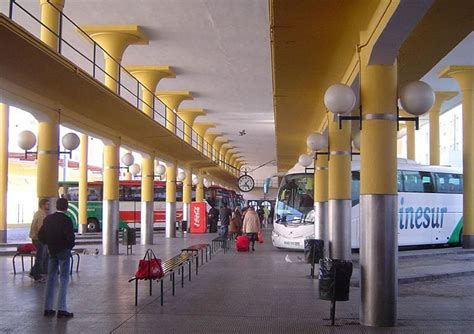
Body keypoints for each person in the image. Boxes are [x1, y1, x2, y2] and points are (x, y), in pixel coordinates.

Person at [38, 198, 75, 319]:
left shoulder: (48, 219)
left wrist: (48, 244)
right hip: (63, 251)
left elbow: (41, 235)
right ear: (66, 207)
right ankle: (62, 309)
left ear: (56, 206)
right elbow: (70, 237)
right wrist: (69, 247)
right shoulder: (67, 220)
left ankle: (48, 308)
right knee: (64, 278)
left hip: (52, 251)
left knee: (51, 278)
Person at [29, 199, 50, 282]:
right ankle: (37, 276)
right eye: (47, 204)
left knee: (43, 256)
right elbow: (41, 229)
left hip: (36, 238)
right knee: (40, 257)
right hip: (39, 239)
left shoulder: (39, 213)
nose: (48, 206)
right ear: (43, 205)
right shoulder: (41, 215)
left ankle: (34, 272)